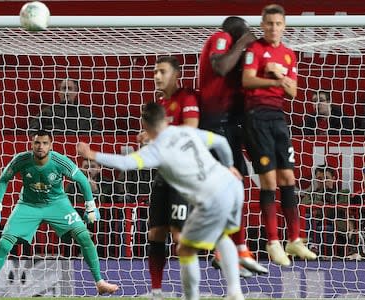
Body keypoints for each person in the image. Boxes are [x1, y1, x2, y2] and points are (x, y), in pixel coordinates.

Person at [77, 102, 246, 300]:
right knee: (222, 237)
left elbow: (125, 163)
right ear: (166, 119)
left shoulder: (155, 151)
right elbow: (221, 142)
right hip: (233, 187)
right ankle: (235, 292)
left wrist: (91, 154)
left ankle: (197, 297)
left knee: (185, 248)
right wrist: (230, 165)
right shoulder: (185, 131)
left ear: (145, 126)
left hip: (212, 199)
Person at [0, 130, 118, 298]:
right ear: (31, 144)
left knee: (84, 236)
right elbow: (4, 179)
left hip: (57, 204)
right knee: (4, 244)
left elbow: (82, 180)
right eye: (37, 143)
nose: (40, 146)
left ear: (50, 145)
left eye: (44, 143)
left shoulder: (59, 161)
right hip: (28, 205)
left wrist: (90, 206)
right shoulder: (21, 160)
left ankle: (100, 283)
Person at [241, 4, 316, 266]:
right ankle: (273, 242)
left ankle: (294, 239)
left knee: (289, 177)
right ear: (262, 25)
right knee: (269, 181)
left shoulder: (288, 54)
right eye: (269, 23)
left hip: (277, 118)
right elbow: (248, 80)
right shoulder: (254, 50)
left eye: (278, 24)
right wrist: (275, 78)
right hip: (256, 117)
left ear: (284, 26)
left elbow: (294, 92)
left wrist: (280, 75)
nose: (273, 28)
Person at [198, 16, 268, 276]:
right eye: (247, 35)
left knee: (235, 187)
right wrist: (244, 43)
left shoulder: (233, 48)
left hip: (227, 126)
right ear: (239, 33)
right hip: (216, 126)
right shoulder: (222, 38)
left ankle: (233, 248)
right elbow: (219, 66)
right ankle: (222, 249)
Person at [137, 56, 201, 298]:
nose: (156, 76)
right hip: (163, 176)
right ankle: (156, 291)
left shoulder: (188, 98)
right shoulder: (160, 104)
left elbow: (191, 131)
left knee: (179, 237)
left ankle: (189, 292)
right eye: (155, 71)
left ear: (175, 75)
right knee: (155, 234)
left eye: (161, 71)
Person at [300, 165, 350, 257]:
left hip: (334, 225)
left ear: (334, 179)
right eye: (320, 178)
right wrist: (318, 204)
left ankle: (326, 254)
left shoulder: (343, 192)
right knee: (307, 218)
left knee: (324, 229)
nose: (323, 181)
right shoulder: (311, 194)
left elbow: (342, 205)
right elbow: (303, 205)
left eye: (326, 178)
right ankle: (312, 247)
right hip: (315, 225)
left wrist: (322, 206)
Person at [28, 79, 102, 136]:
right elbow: (33, 132)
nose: (66, 92)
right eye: (64, 88)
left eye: (69, 88)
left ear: (76, 92)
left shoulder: (87, 114)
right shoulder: (47, 112)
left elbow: (96, 135)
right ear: (59, 93)